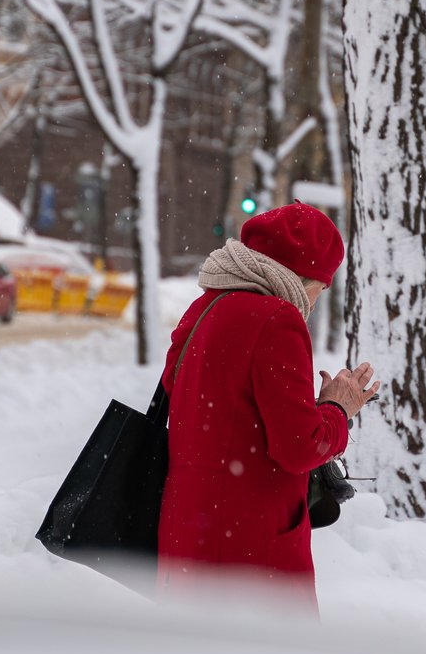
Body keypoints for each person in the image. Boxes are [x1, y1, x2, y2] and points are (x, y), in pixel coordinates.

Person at [157, 202, 379, 610]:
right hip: (249, 550)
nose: (313, 302)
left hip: (186, 537)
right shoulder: (277, 317)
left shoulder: (205, 307)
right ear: (303, 277)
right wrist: (337, 410)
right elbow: (300, 446)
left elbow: (219, 413)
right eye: (320, 287)